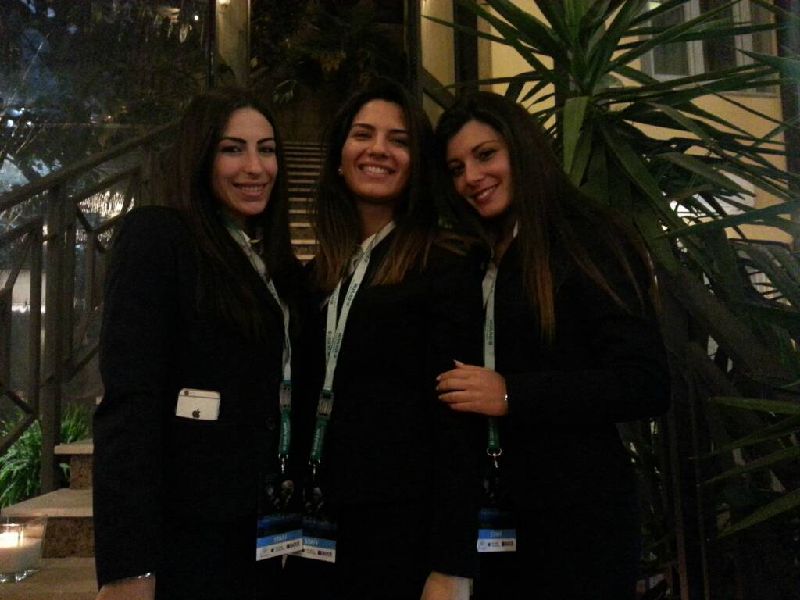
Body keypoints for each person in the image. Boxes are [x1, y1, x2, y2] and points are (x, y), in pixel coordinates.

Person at [434, 92, 671, 600]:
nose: (471, 177)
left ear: (521, 148)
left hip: (579, 522)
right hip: (495, 521)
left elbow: (645, 382)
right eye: (456, 169)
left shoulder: (591, 239)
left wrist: (511, 394)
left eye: (485, 155)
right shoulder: (474, 257)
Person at [93, 86, 303, 600]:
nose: (255, 167)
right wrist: (128, 569)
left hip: (265, 532)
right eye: (233, 149)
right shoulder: (160, 237)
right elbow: (130, 407)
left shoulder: (274, 264)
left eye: (267, 150)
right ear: (200, 156)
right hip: (188, 538)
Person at [289, 78, 484, 600]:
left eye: (398, 140)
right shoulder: (314, 276)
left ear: (417, 164)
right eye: (363, 134)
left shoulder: (447, 266)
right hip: (314, 522)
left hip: (403, 532)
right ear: (338, 156)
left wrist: (451, 564)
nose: (378, 149)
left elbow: (458, 423)